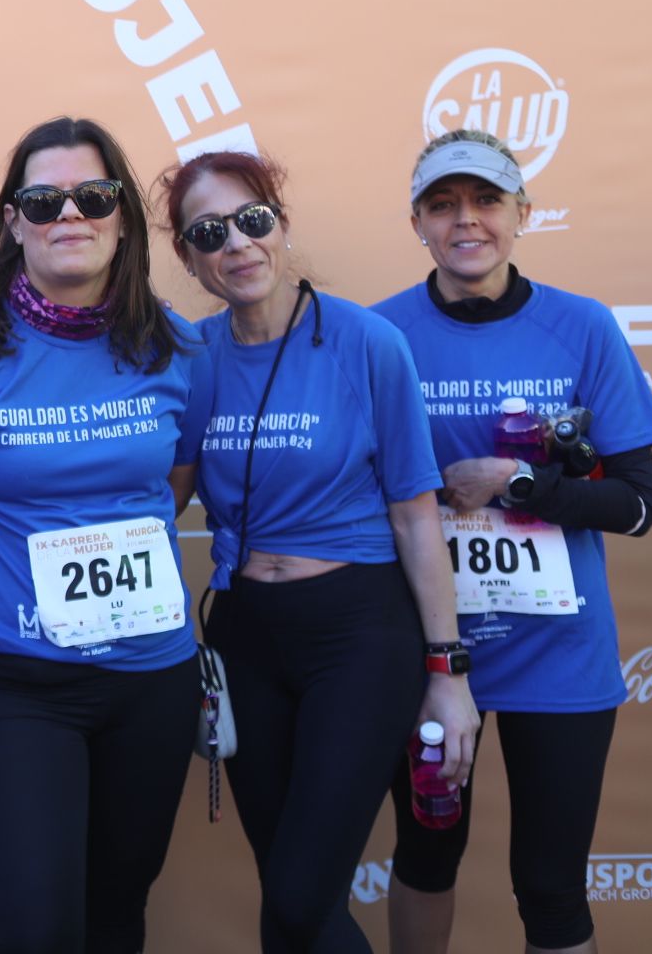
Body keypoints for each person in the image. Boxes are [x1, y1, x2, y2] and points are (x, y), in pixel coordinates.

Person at [0, 116, 209, 954]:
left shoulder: (176, 349)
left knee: (116, 914)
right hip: (16, 690)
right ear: (13, 220)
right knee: (37, 929)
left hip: (150, 681)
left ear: (123, 215)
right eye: (43, 199)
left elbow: (171, 489)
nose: (71, 215)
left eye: (93, 196)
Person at [156, 149, 478, 953]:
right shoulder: (192, 359)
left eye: (252, 220)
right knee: (292, 902)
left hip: (357, 634)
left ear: (282, 225)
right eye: (209, 232)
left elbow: (415, 515)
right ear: (190, 260)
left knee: (301, 898)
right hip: (243, 634)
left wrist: (447, 676)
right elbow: (159, 497)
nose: (236, 243)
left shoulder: (366, 343)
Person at [378, 131, 652, 954]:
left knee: (549, 881)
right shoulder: (379, 334)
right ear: (417, 223)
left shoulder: (582, 327)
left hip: (559, 654)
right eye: (443, 205)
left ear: (522, 214)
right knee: (429, 852)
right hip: (430, 653)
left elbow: (637, 507)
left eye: (486, 201)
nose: (466, 221)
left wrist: (519, 484)